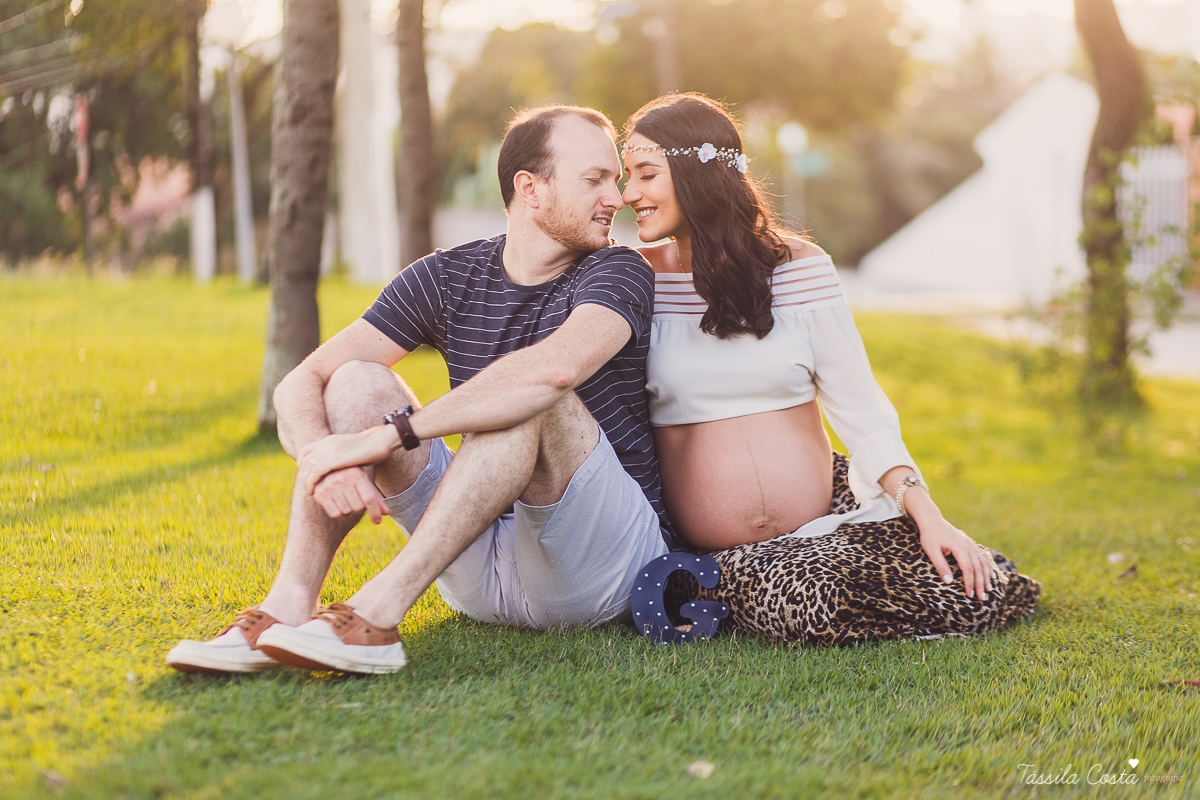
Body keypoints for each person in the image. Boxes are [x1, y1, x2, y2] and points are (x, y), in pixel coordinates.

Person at [167, 105, 674, 675]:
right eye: (596, 180)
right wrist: (323, 456)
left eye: (616, 180)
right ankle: (284, 609)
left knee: (530, 397)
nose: (618, 197)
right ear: (530, 188)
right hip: (477, 564)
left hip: (599, 566)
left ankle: (374, 615)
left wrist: (390, 436)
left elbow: (552, 373)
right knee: (356, 380)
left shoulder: (619, 271)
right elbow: (301, 381)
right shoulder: (447, 276)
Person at [620, 93, 1040, 644]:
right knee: (813, 604)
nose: (629, 194)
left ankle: (885, 554)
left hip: (830, 514)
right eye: (628, 177)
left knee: (973, 585)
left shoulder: (801, 269)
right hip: (716, 549)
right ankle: (784, 582)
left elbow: (858, 406)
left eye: (645, 175)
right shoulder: (632, 279)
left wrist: (928, 514)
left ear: (697, 175)